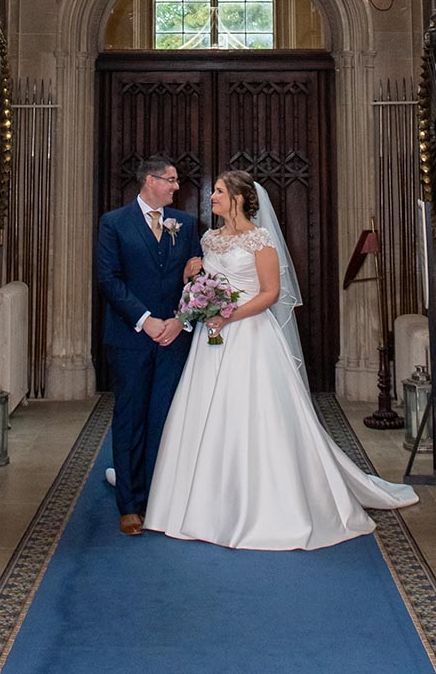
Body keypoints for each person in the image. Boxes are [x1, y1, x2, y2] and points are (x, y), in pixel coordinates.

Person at [144, 170, 418, 550]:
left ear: (238, 198)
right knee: (204, 411)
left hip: (250, 336)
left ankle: (264, 504)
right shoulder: (209, 239)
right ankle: (200, 502)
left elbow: (270, 293)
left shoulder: (261, 239)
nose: (212, 197)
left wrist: (229, 316)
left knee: (254, 415)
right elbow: (206, 285)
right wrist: (193, 278)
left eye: (219, 191)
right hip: (211, 341)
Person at [96, 155, 202, 536]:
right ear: (149, 181)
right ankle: (129, 505)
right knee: (130, 418)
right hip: (131, 338)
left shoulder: (185, 224)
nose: (176, 186)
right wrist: (145, 320)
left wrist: (179, 320)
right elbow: (109, 279)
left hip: (173, 338)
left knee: (164, 417)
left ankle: (159, 498)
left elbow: (197, 280)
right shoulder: (114, 223)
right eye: (170, 180)